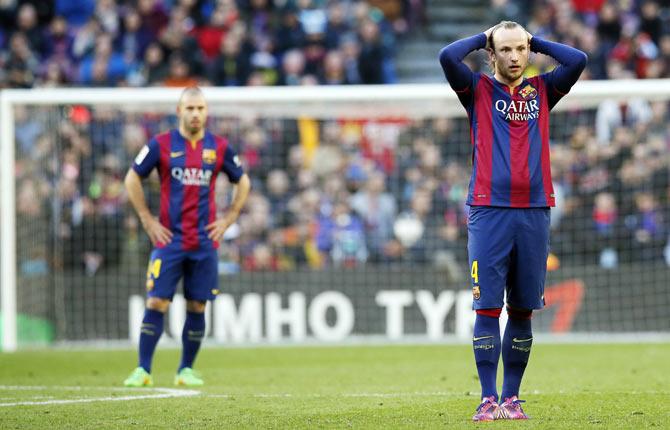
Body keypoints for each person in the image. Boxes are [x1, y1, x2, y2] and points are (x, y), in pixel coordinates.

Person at [439, 21, 587, 421]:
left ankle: (512, 398)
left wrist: (534, 39)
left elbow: (579, 60)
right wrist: (485, 36)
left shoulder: (543, 91)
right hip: (488, 211)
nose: (515, 57)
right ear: (492, 54)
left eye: (521, 49)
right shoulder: (476, 91)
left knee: (522, 311)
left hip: (535, 211)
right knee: (487, 309)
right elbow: (447, 57)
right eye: (505, 50)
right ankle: (487, 398)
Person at [123, 87, 251, 387]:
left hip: (204, 243)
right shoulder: (161, 144)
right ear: (179, 111)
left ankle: (185, 370)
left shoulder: (219, 147)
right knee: (156, 302)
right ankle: (143, 370)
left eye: (201, 108)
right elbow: (131, 178)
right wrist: (146, 219)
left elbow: (243, 181)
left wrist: (230, 218)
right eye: (190, 108)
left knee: (197, 306)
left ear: (207, 112)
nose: (195, 114)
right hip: (169, 241)